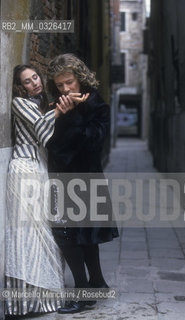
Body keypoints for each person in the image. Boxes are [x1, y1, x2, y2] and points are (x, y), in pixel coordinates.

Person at [4, 64, 85, 316]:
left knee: (47, 236)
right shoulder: (19, 103)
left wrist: (60, 110)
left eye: (35, 77)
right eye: (27, 81)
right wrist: (62, 110)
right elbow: (42, 132)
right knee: (27, 236)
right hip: (24, 171)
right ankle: (25, 303)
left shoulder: (43, 104)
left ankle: (45, 298)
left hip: (40, 171)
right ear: (20, 86)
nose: (34, 83)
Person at [46, 53, 119, 314]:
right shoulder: (57, 105)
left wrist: (71, 116)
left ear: (80, 78)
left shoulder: (96, 105)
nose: (66, 89)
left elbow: (92, 144)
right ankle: (96, 283)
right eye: (60, 85)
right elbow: (52, 145)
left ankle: (83, 294)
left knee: (71, 235)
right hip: (62, 179)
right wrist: (60, 117)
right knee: (81, 234)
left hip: (85, 177)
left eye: (69, 83)